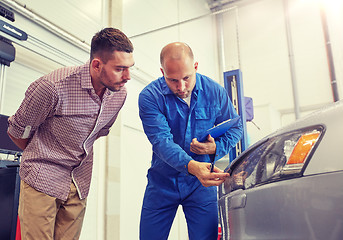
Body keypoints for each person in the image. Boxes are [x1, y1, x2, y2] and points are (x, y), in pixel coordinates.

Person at [7, 27, 134, 240]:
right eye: (120, 68)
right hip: (42, 178)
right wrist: (43, 155)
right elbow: (17, 131)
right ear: (96, 65)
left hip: (79, 181)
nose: (127, 76)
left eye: (130, 67)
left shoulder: (118, 95)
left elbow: (99, 132)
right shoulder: (53, 86)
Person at [138, 42, 243, 240]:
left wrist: (216, 148)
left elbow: (236, 127)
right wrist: (193, 166)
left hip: (201, 186)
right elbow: (161, 141)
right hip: (162, 182)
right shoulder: (150, 97)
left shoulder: (215, 92)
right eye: (172, 80)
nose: (181, 87)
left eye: (186, 78)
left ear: (195, 67)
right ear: (162, 72)